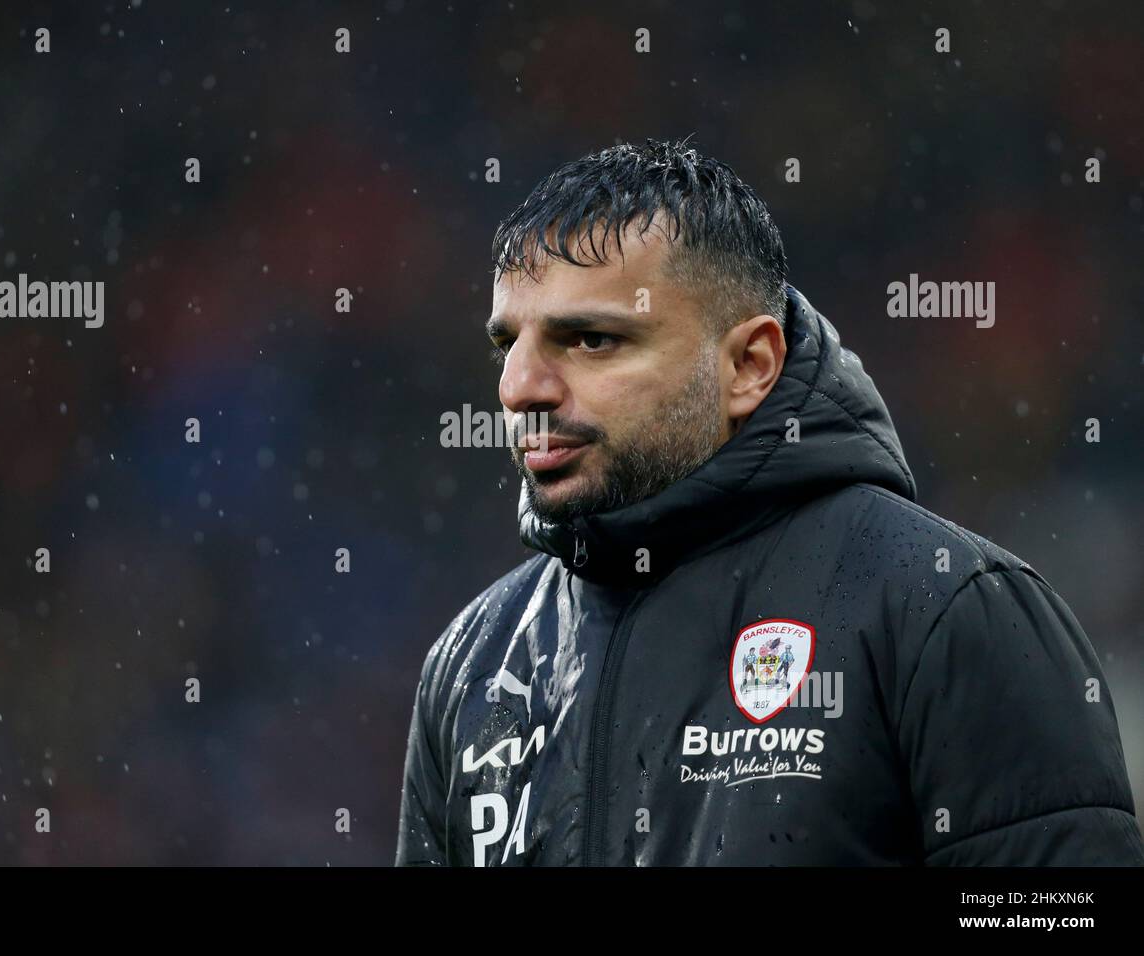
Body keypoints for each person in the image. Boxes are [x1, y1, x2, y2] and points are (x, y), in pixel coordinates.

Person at [394, 137, 1144, 866]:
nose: (520, 389)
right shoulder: (472, 664)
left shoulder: (946, 610)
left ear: (750, 364)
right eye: (507, 345)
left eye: (591, 339)